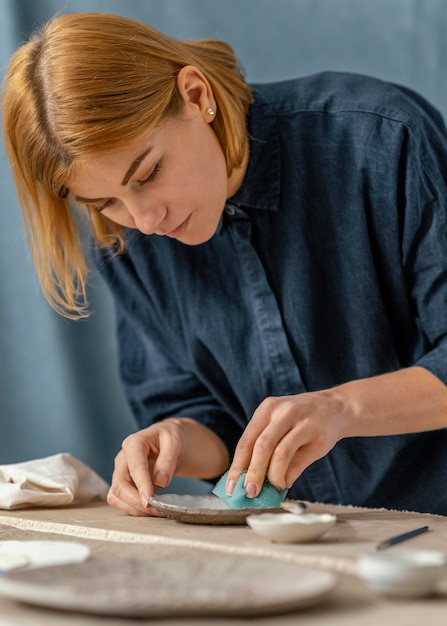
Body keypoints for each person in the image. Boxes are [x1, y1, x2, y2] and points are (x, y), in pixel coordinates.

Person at [3, 12, 447, 518]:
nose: (145, 221)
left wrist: (341, 409)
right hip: (287, 549)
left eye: (148, 173)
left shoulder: (383, 140)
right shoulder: (124, 239)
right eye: (105, 202)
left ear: (196, 95)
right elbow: (204, 415)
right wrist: (173, 439)